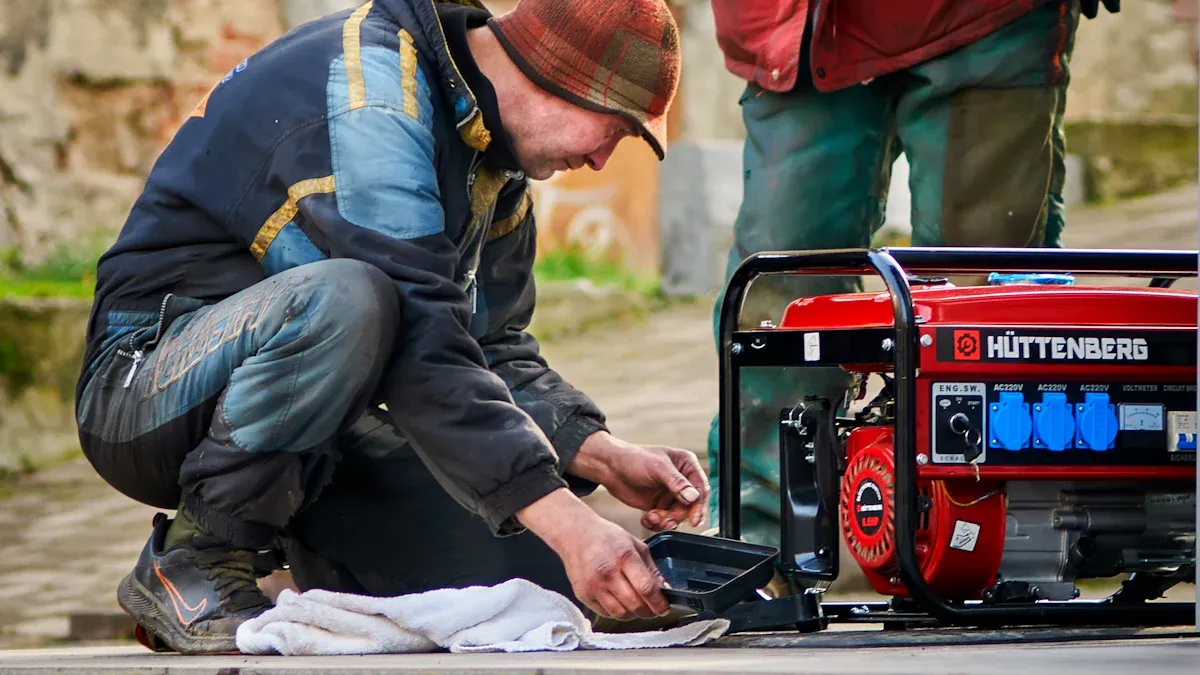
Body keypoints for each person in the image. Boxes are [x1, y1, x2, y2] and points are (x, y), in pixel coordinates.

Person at [73, 0, 703, 655]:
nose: (604, 160)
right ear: (559, 77)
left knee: (539, 581)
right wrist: (571, 520)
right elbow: (417, 335)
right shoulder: (375, 90)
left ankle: (293, 551)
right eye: (615, 130)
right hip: (143, 389)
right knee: (355, 298)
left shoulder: (498, 159)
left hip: (318, 421)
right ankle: (197, 556)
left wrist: (601, 452)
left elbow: (493, 350)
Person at [704, 0, 1120, 548]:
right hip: (799, 28)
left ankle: (1000, 542)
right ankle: (760, 546)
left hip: (983, 19)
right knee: (780, 300)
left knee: (983, 297)